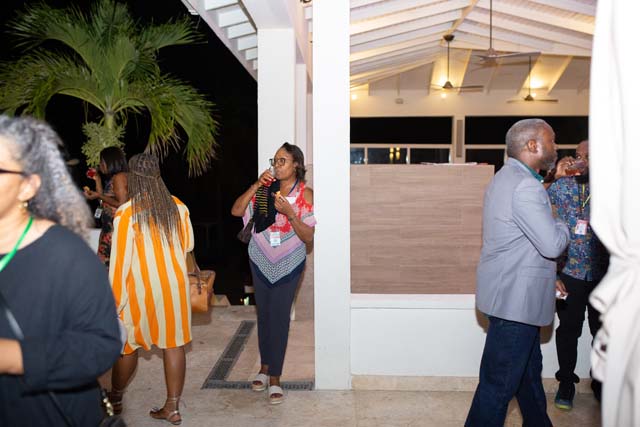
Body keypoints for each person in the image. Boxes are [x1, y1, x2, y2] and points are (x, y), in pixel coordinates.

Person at [0, 115, 122, 426]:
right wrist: (97, 188)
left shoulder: (66, 256)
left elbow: (100, 346)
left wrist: (12, 357)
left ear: (28, 186)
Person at [465, 119, 570, 427]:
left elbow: (518, 243)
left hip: (511, 293)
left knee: (527, 376)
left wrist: (549, 278)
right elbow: (551, 244)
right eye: (551, 141)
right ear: (532, 145)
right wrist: (560, 220)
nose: (555, 147)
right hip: (516, 302)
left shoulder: (506, 177)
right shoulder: (526, 186)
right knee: (497, 387)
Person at [108, 153, 194, 425]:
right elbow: (187, 246)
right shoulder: (178, 207)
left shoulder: (127, 213)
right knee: (173, 344)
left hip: (140, 291)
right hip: (174, 289)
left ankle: (115, 397)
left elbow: (120, 265)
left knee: (128, 346)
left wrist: (114, 304)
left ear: (133, 179)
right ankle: (172, 407)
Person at [231, 142, 316, 405]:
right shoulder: (264, 190)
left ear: (296, 165)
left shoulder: (305, 194)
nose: (277, 166)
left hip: (290, 263)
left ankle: (275, 378)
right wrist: (257, 184)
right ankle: (265, 367)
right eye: (275, 161)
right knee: (265, 315)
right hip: (259, 259)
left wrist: (290, 214)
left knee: (279, 318)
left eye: (282, 161)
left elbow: (308, 236)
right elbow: (236, 210)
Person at [546, 140, 609, 409]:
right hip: (569, 271)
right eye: (578, 155)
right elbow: (534, 205)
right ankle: (566, 383)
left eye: (588, 156)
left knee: (603, 331)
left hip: (603, 274)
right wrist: (553, 177)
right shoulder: (562, 187)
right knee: (569, 330)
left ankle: (601, 382)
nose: (581, 160)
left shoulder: (613, 189)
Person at [83, 146, 129, 267]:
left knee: (109, 267)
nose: (100, 164)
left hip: (115, 231)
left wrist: (98, 195)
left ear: (111, 161)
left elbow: (122, 204)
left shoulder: (119, 177)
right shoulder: (113, 178)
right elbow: (104, 201)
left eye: (102, 161)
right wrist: (97, 180)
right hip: (108, 229)